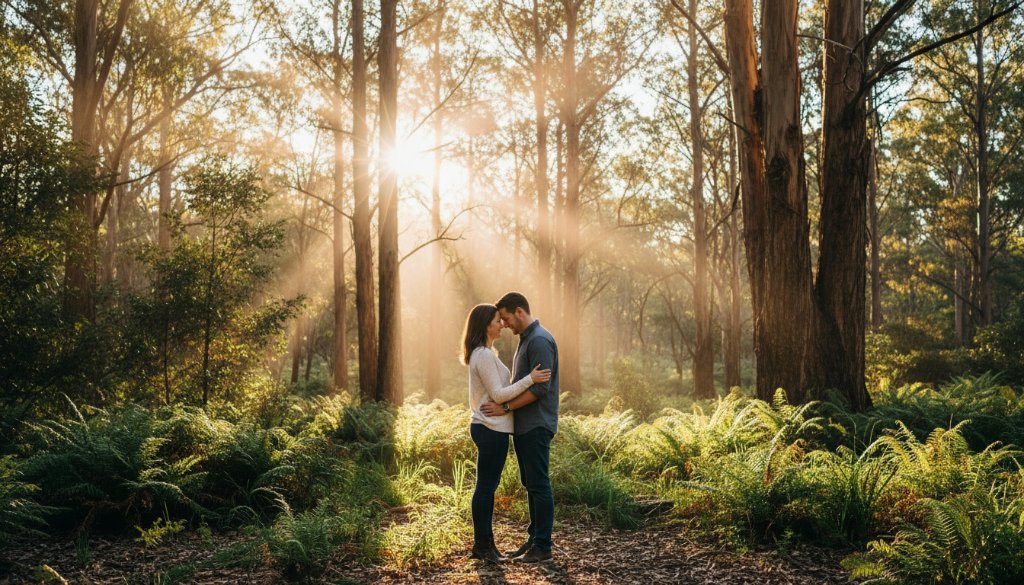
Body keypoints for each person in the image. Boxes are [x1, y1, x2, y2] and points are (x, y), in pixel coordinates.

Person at [461, 303, 551, 563]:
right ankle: (482, 545)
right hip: (490, 428)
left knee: (486, 487)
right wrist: (531, 379)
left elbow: (498, 393)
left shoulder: (486, 352)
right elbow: (500, 395)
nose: (501, 324)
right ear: (484, 325)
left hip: (491, 428)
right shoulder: (483, 355)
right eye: (496, 320)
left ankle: (486, 544)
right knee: (486, 487)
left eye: (502, 320)